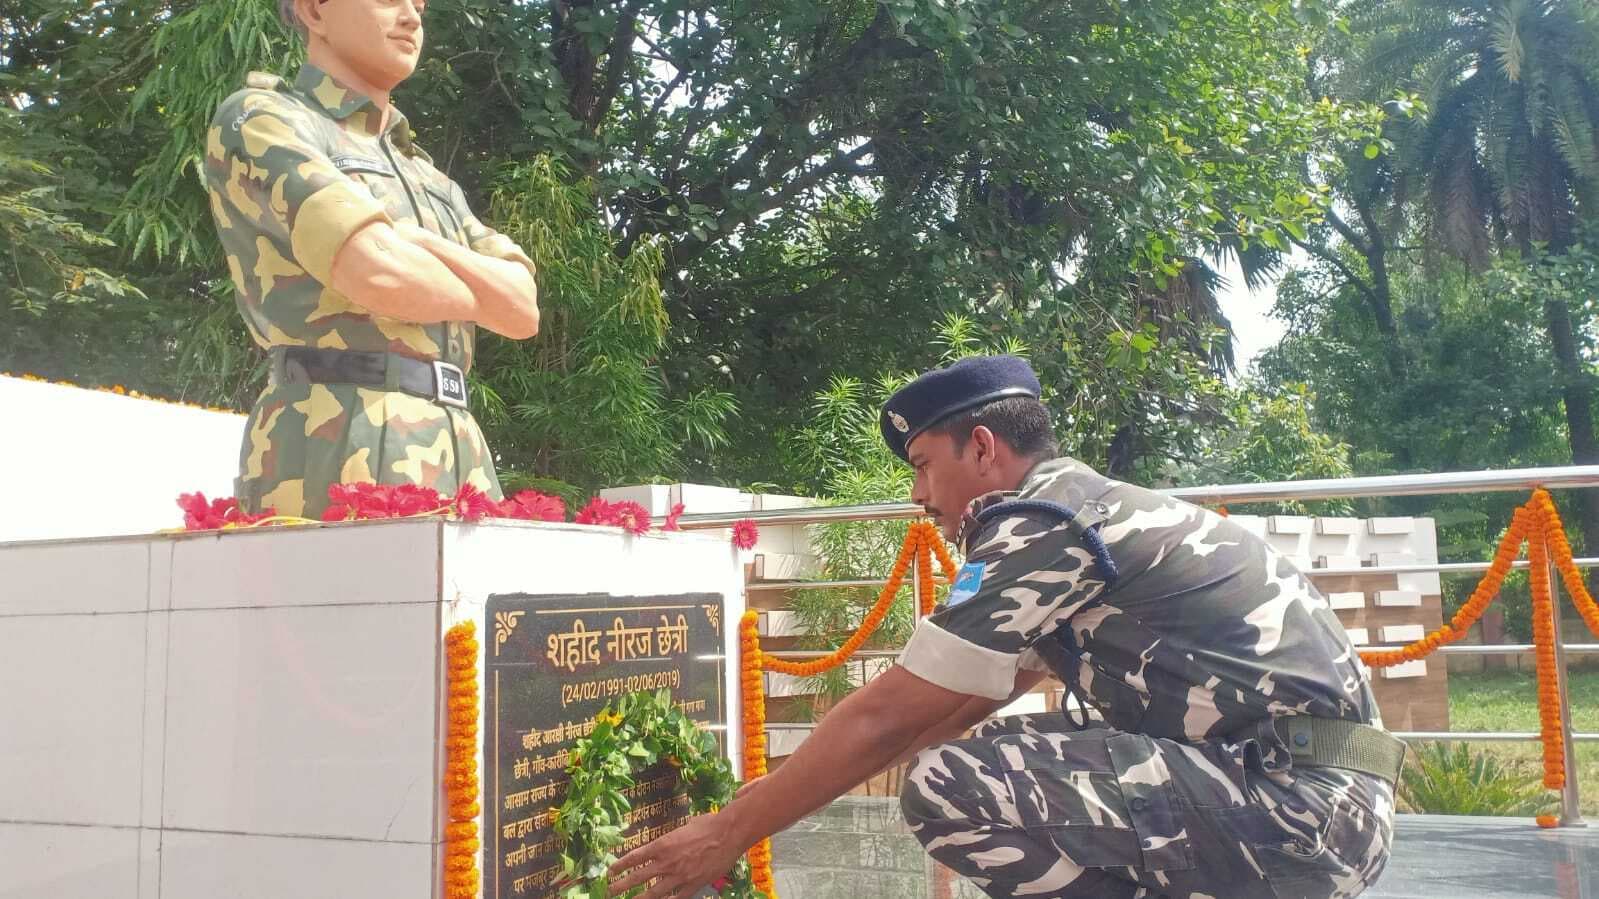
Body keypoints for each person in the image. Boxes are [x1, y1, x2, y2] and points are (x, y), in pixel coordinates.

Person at [607, 354, 1403, 899]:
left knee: (951, 784)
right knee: (968, 754)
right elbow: (957, 704)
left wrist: (730, 829)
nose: (920, 495)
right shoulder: (1080, 511)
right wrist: (770, 797)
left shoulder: (1042, 525)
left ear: (981, 448)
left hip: (1299, 809)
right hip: (1310, 797)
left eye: (922, 464)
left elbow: (893, 714)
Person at [201, 0, 540, 518]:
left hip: (457, 436)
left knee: (469, 600)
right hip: (336, 429)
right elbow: (379, 273)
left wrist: (426, 245)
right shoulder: (265, 119)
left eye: (420, 5)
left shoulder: (429, 177)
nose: (412, 17)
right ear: (315, 11)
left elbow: (521, 310)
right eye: (389, 0)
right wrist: (478, 297)